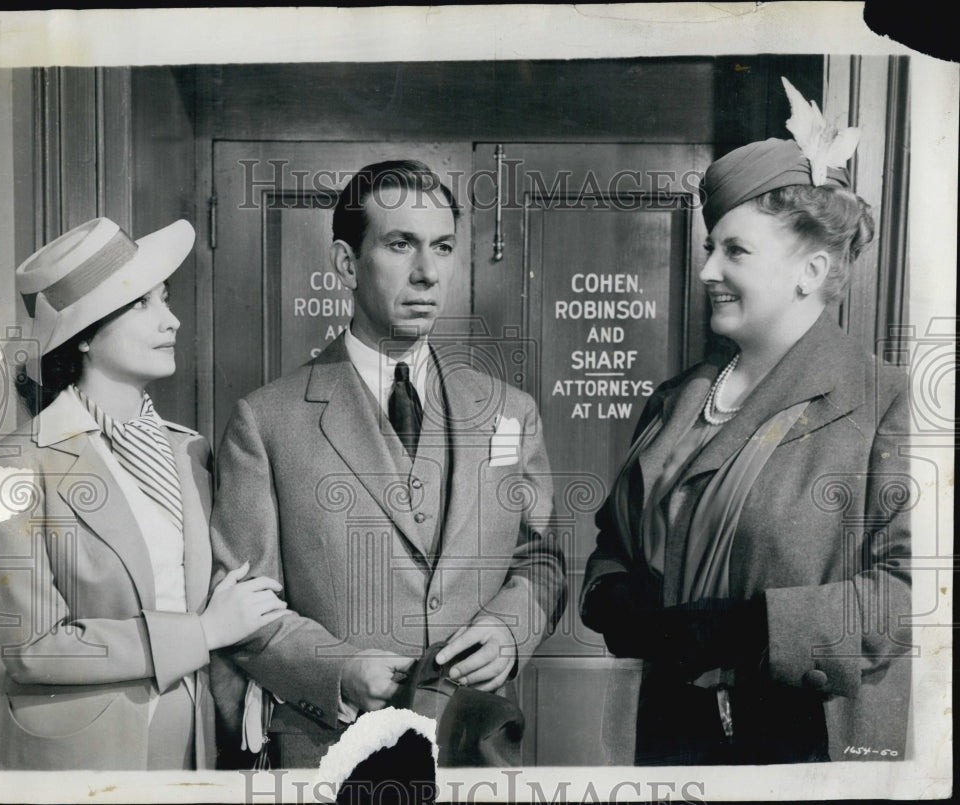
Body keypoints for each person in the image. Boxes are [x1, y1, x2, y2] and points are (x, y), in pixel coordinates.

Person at [580, 81, 912, 765]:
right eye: (710, 247)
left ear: (811, 270)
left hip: (796, 739)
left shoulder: (885, 401)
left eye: (735, 251)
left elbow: (911, 597)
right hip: (672, 733)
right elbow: (616, 538)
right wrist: (611, 593)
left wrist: (750, 627)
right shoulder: (677, 399)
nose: (706, 270)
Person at [210, 159, 567, 767]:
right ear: (347, 263)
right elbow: (245, 609)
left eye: (443, 247)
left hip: (474, 748)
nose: (428, 272)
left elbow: (541, 560)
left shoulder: (510, 411)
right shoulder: (265, 422)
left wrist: (511, 629)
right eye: (401, 244)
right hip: (334, 755)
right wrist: (339, 669)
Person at [0, 217, 287, 770]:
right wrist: (201, 632)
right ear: (83, 334)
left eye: (167, 299)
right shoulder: (16, 463)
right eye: (143, 304)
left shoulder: (192, 452)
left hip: (194, 748)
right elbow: (27, 649)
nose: (172, 320)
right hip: (83, 758)